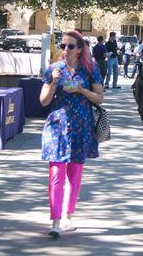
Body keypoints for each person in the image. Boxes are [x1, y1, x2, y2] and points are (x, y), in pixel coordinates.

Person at [39, 29, 104, 238]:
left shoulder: (90, 69)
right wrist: (53, 82)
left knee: (74, 175)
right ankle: (55, 220)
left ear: (80, 50)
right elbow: (43, 101)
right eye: (63, 46)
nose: (65, 50)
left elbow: (99, 98)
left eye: (70, 46)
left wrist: (81, 90)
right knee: (56, 174)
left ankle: (68, 215)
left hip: (81, 127)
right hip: (57, 126)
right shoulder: (53, 69)